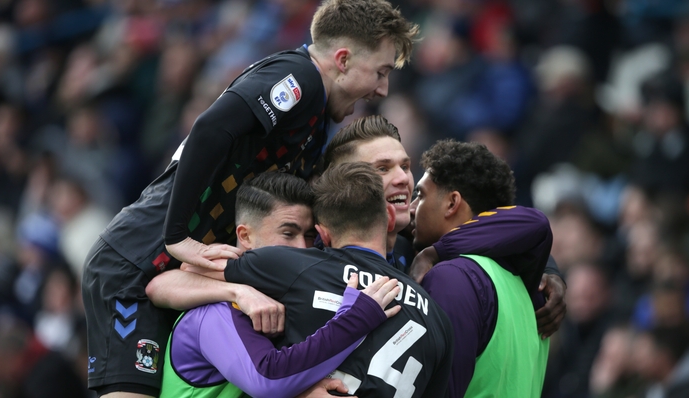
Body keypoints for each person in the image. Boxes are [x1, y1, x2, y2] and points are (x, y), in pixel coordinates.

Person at [81, 1, 419, 397]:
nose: (382, 88)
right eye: (380, 72)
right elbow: (209, 128)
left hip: (177, 273)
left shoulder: (313, 121)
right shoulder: (300, 78)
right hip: (136, 260)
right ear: (342, 60)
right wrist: (176, 237)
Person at [197, 162, 454, 397]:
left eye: (309, 236)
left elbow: (179, 275)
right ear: (388, 216)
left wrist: (238, 293)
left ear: (322, 234)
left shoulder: (290, 267)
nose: (301, 246)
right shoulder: (439, 319)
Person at [156, 173, 401, 398]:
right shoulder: (212, 312)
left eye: (308, 237)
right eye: (288, 234)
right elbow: (267, 381)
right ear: (245, 237)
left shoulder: (293, 303)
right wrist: (356, 320)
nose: (303, 249)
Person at [323, 115, 566, 337]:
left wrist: (548, 269)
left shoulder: (429, 265)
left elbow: (532, 223)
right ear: (344, 187)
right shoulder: (314, 259)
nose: (403, 179)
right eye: (382, 169)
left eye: (405, 167)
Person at [410, 139, 551, 397]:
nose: (410, 208)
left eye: (420, 195)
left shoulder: (451, 277)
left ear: (452, 203)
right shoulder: (529, 291)